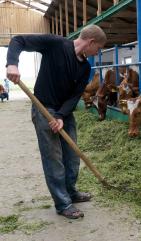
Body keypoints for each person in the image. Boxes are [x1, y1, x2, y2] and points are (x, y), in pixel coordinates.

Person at [6, 25, 106, 219]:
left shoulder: (85, 67)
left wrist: (60, 116)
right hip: (43, 108)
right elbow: (18, 40)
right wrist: (12, 63)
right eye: (99, 48)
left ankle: (71, 191)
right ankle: (63, 203)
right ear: (90, 42)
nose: (97, 52)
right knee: (54, 159)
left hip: (64, 113)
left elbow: (75, 95)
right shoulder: (55, 44)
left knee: (72, 156)